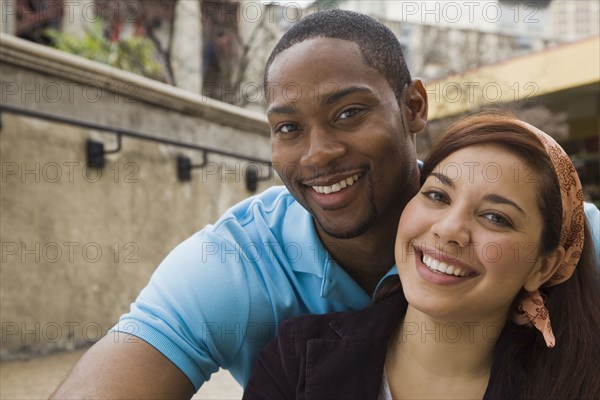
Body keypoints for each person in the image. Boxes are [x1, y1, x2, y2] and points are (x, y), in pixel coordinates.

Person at [51, 10, 600, 398]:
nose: (319, 155)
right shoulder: (232, 266)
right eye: (288, 127)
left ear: (413, 108)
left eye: (348, 113)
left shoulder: (567, 237)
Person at [242, 112, 600, 400]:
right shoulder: (295, 360)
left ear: (543, 266)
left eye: (495, 217)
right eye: (438, 196)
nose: (448, 229)